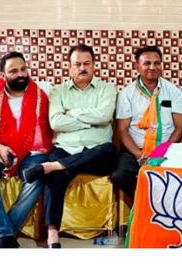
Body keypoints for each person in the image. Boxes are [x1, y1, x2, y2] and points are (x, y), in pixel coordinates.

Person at [23, 43, 117, 248]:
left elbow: (104, 116)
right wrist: (90, 119)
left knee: (108, 150)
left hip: (97, 151)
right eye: (77, 64)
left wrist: (72, 113)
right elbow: (56, 122)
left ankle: (54, 165)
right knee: (54, 177)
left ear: (94, 65)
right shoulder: (59, 91)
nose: (82, 68)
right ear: (69, 66)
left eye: (87, 64)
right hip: (66, 149)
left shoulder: (108, 89)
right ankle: (52, 232)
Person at [0, 52, 53, 248]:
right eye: (13, 71)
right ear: (3, 75)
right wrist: (0, 148)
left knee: (34, 178)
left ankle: (3, 236)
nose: (20, 74)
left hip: (36, 152)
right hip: (2, 151)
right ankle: (5, 235)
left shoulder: (44, 91)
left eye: (23, 69)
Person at [111, 46, 182, 200]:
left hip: (166, 149)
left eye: (157, 63)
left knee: (181, 177)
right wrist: (139, 156)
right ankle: (149, 204)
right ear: (137, 66)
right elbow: (122, 129)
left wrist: (161, 152)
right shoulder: (127, 94)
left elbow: (180, 128)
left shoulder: (174, 92)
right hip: (136, 151)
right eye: (147, 63)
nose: (152, 67)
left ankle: (155, 206)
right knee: (119, 175)